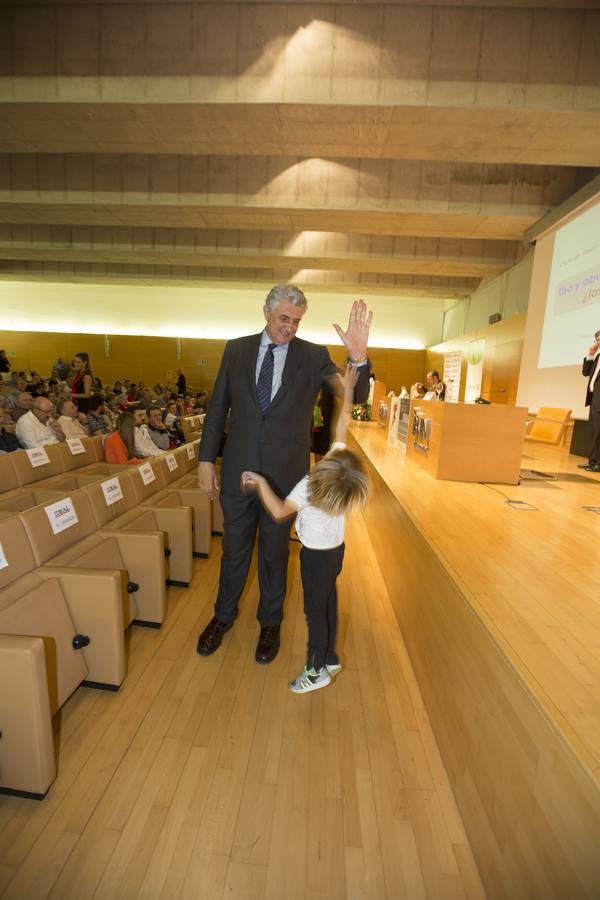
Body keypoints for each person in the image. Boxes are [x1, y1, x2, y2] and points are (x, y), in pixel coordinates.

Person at [196, 283, 372, 664]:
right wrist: (206, 459)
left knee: (275, 555)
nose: (289, 328)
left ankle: (269, 623)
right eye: (283, 319)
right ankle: (222, 617)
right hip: (238, 473)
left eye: (296, 321)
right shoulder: (236, 349)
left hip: (285, 478)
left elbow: (352, 395)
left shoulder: (312, 356)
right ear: (266, 312)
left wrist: (357, 359)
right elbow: (217, 408)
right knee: (233, 550)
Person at [241, 366, 369, 693]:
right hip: (336, 553)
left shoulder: (310, 486)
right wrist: (350, 390)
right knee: (328, 602)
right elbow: (343, 425)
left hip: (314, 560)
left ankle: (316, 670)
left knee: (315, 613)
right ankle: (329, 657)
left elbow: (280, 511)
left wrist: (261, 483)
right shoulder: (338, 474)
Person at [579, 328, 600, 473]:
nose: (598, 342)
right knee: (593, 432)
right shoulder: (597, 357)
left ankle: (598, 463)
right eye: (597, 339)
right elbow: (586, 372)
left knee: (599, 432)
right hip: (594, 400)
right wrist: (591, 354)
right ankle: (592, 462)